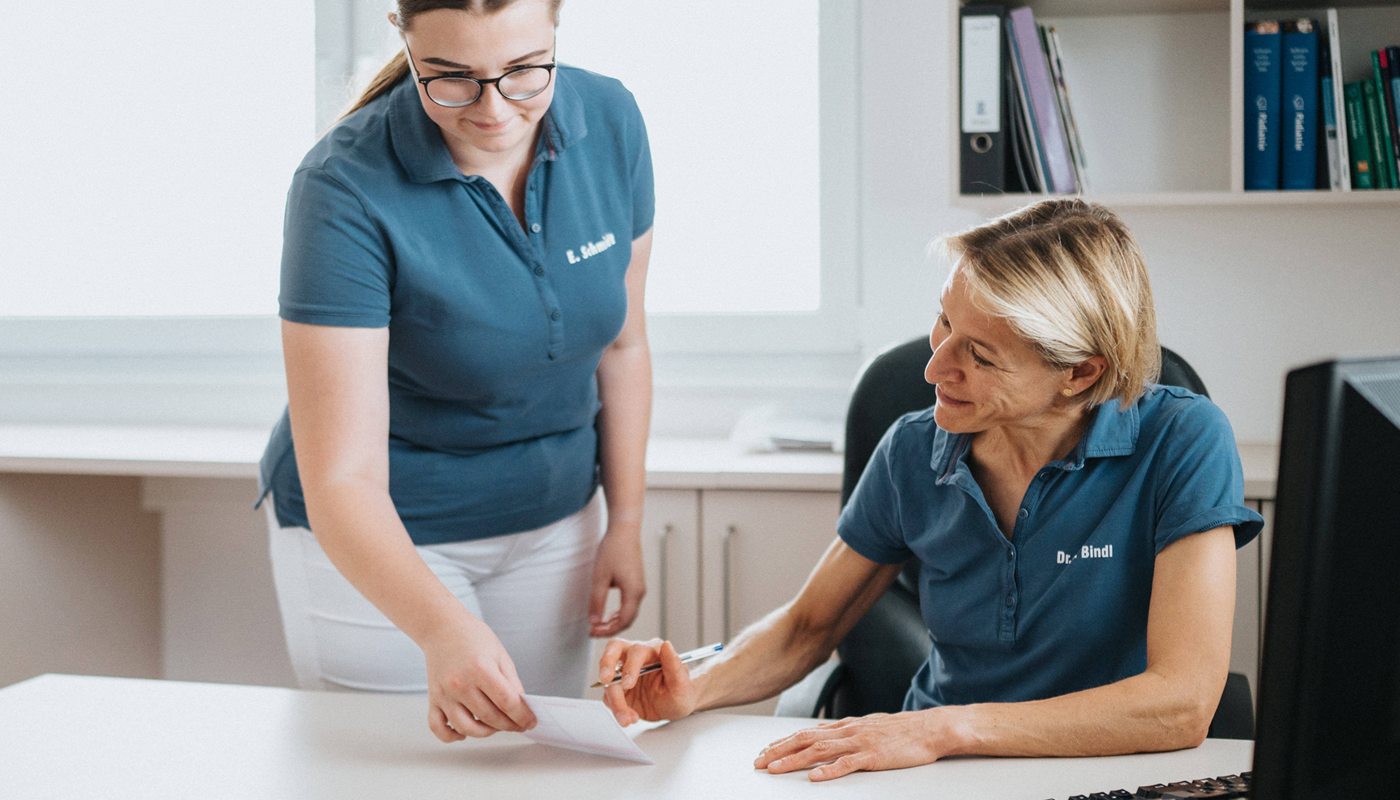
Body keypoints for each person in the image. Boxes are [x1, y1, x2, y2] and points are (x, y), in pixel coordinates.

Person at [598, 199, 1264, 781]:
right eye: (944, 323)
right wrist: (695, 686)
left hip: (1102, 771)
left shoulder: (1182, 439)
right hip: (940, 775)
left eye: (980, 355)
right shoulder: (915, 449)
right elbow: (808, 627)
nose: (934, 366)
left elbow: (1180, 702)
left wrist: (946, 728)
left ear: (1081, 375)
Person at [256, 0, 655, 743]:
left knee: (536, 770)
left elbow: (623, 346)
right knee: (399, 777)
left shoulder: (610, 120)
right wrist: (440, 629)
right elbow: (341, 477)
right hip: (392, 537)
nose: (495, 109)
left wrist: (625, 521)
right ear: (404, 42)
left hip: (556, 521)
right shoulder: (341, 188)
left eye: (525, 72)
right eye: (451, 79)